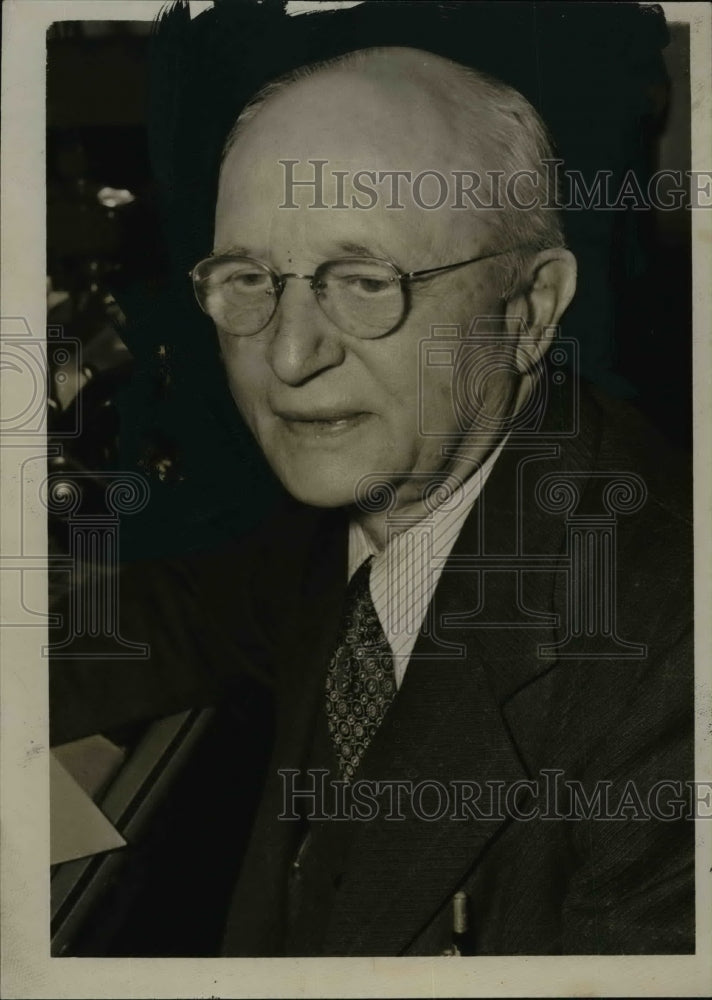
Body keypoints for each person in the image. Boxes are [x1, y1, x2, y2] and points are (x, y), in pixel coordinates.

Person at [51, 44, 694, 957]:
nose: (288, 356)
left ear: (530, 308)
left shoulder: (673, 674)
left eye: (364, 282)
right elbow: (195, 613)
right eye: (248, 281)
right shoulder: (386, 488)